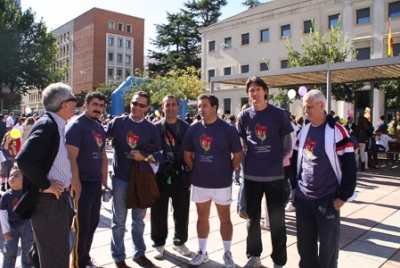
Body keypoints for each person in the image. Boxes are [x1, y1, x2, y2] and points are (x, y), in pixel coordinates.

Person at [290, 89, 357, 268]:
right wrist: (294, 188)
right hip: (304, 198)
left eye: (310, 107)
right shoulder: (303, 131)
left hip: (327, 198)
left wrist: (342, 198)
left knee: (327, 248)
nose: (306, 111)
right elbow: (296, 161)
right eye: (305, 107)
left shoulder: (338, 131)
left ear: (322, 105)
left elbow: (350, 166)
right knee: (305, 246)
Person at [16, 82, 76, 268]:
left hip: (58, 200)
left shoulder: (56, 124)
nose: (76, 103)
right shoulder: (48, 124)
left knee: (51, 253)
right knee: (55, 260)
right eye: (73, 99)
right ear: (64, 104)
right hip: (49, 202)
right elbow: (24, 159)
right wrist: (46, 184)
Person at [237, 76, 293, 268]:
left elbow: (287, 146)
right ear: (247, 94)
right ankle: (254, 256)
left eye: (258, 89)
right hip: (252, 175)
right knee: (252, 219)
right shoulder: (244, 116)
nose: (255, 93)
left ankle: (279, 260)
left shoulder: (279, 114)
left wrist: (273, 160)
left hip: (275, 175)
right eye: (251, 90)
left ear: (265, 91)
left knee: (277, 220)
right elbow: (242, 144)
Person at [182, 94, 242, 268]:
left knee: (225, 219)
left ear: (215, 107)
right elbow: (187, 154)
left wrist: (228, 169)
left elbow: (238, 154)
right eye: (199, 106)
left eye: (205, 106)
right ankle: (202, 252)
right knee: (202, 218)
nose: (201, 109)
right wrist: (197, 169)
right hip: (200, 182)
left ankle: (227, 253)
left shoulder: (228, 129)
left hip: (221, 183)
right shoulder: (193, 129)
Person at [106, 91, 163, 268]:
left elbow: (160, 156)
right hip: (121, 178)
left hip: (142, 179)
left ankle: (139, 254)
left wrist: (144, 157)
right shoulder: (117, 122)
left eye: (141, 105)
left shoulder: (151, 128)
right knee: (119, 222)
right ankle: (118, 256)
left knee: (138, 221)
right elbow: (100, 139)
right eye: (134, 103)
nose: (136, 107)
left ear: (147, 108)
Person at [65, 91, 110, 268]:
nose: (97, 109)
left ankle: (85, 257)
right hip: (80, 183)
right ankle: (77, 263)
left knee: (92, 224)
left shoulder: (98, 127)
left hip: (95, 182)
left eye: (101, 106)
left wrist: (105, 183)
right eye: (94, 105)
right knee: (81, 227)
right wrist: (76, 184)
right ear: (85, 105)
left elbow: (103, 156)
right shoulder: (77, 125)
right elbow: (70, 158)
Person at [150, 95, 191, 259]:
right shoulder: (155, 127)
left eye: (174, 105)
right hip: (160, 174)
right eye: (167, 105)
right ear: (162, 107)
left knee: (182, 210)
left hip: (181, 175)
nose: (171, 108)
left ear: (179, 107)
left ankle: (180, 241)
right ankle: (158, 243)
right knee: (158, 210)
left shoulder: (187, 127)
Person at [0, 165, 34, 268]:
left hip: (26, 224)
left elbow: (33, 210)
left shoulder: (27, 193)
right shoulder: (6, 196)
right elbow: (3, 213)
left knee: (28, 250)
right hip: (12, 226)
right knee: (9, 252)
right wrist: (5, 230)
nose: (12, 178)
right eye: (10, 175)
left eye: (16, 176)